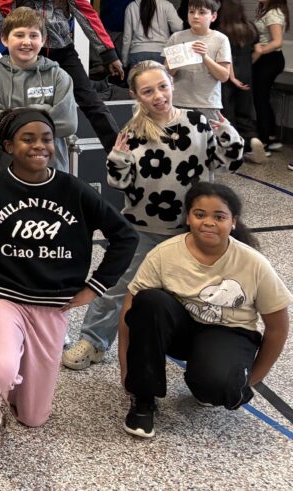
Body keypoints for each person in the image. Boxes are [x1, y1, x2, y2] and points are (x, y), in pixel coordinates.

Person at [0, 108, 137, 435]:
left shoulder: (74, 190)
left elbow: (126, 235)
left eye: (46, 139)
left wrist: (95, 286)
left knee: (33, 417)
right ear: (9, 146)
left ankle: (6, 381)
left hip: (53, 304)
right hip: (3, 297)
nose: (39, 146)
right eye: (28, 139)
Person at [62, 61, 245, 371]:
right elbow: (119, 183)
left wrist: (228, 135)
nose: (158, 95)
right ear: (136, 95)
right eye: (148, 91)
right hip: (142, 227)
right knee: (117, 287)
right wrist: (118, 159)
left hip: (189, 230)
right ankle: (93, 341)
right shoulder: (132, 133)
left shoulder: (197, 124)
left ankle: (202, 348)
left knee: (200, 291)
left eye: (162, 87)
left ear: (172, 84)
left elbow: (226, 162)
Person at [119, 183, 291, 439]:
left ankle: (207, 382)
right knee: (149, 301)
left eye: (219, 216)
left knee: (218, 386)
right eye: (200, 214)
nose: (208, 222)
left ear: (233, 222)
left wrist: (252, 379)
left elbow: (277, 326)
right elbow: (129, 313)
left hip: (228, 333)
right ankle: (144, 400)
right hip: (181, 332)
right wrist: (128, 373)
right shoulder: (164, 254)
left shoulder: (253, 263)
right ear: (188, 217)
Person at [0, 0, 124, 154]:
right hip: (28, 57)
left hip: (63, 51)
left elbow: (87, 15)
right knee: (23, 105)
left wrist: (108, 53)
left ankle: (118, 151)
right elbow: (2, 23)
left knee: (91, 100)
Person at [0, 7, 77, 173]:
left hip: (53, 171)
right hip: (6, 172)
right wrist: (45, 111)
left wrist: (12, 114)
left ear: (43, 40)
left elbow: (68, 124)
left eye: (33, 35)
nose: (27, 42)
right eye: (19, 35)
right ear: (4, 39)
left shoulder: (59, 76)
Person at [163, 0, 232, 121]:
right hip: (178, 102)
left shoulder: (221, 39)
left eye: (202, 12)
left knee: (208, 140)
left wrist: (205, 57)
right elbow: (166, 74)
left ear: (213, 16)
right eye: (191, 12)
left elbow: (224, 76)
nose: (195, 16)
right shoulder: (176, 37)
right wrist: (178, 60)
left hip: (207, 104)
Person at [217, 0, 266, 163]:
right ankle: (252, 139)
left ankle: (234, 150)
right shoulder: (251, 27)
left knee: (228, 111)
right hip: (247, 73)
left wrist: (233, 71)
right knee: (244, 111)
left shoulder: (222, 30)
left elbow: (225, 56)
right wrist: (247, 63)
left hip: (228, 75)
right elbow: (259, 50)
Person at [250, 0, 289, 153]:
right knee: (263, 99)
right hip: (269, 59)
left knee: (261, 100)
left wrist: (259, 52)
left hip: (269, 59)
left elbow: (277, 41)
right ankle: (271, 136)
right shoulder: (269, 11)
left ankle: (264, 142)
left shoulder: (273, 13)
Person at [121, 0, 183, 68]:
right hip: (161, 54)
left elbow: (127, 37)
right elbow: (178, 28)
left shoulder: (131, 6)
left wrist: (124, 61)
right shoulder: (166, 5)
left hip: (137, 54)